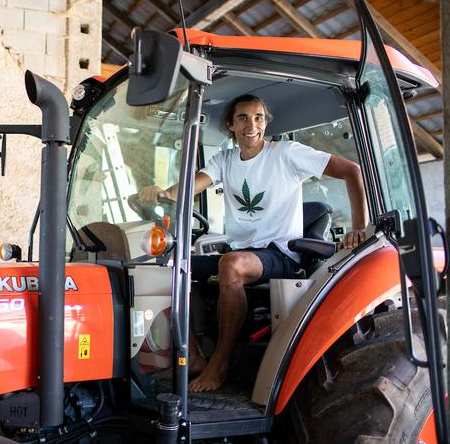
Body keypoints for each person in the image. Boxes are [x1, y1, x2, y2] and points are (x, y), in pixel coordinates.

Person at [138, 95, 367, 392]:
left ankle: (219, 364)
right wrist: (161, 193)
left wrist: (360, 226)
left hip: (282, 253)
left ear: (266, 122)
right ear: (231, 126)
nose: (252, 125)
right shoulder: (225, 160)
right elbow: (186, 189)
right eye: (243, 118)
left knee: (231, 265)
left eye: (258, 117)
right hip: (242, 253)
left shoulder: (286, 154)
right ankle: (193, 356)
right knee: (168, 268)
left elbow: (352, 171)